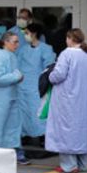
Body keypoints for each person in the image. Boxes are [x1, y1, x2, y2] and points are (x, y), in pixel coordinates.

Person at [46, 28, 87, 173]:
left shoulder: (67, 54)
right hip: (86, 100)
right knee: (83, 130)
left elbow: (58, 75)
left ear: (70, 39)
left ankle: (69, 165)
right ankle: (83, 163)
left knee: (66, 130)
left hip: (68, 100)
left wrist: (49, 76)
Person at [0, 31, 25, 161]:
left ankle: (9, 154)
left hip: (11, 96)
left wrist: (16, 77)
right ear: (5, 42)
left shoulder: (11, 55)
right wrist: (17, 76)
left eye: (18, 42)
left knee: (11, 127)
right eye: (15, 42)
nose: (17, 45)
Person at [16, 22, 55, 150]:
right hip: (23, 86)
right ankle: (26, 135)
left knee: (37, 111)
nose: (25, 36)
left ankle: (42, 136)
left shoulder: (45, 49)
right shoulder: (22, 49)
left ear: (34, 34)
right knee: (24, 112)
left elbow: (49, 67)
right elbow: (17, 65)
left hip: (38, 86)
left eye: (26, 33)